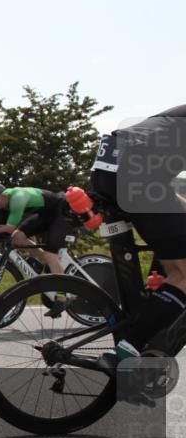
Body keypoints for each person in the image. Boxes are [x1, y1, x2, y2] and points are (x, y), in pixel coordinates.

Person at [90, 105, 186, 361]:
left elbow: (163, 188)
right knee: (184, 273)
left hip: (107, 167)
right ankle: (126, 349)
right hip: (137, 174)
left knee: (172, 258)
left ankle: (151, 315)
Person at [0, 182, 71, 276]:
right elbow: (2, 231)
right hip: (46, 214)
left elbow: (9, 228)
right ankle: (48, 264)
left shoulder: (17, 198)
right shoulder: (2, 205)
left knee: (51, 254)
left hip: (61, 211)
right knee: (18, 237)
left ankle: (62, 296)